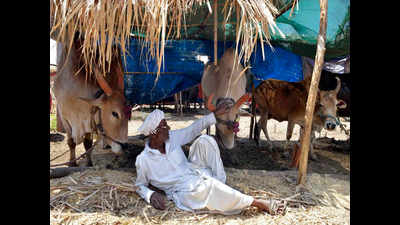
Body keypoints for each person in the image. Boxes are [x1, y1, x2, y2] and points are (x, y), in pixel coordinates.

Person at [134, 105, 287, 215]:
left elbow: (192, 129)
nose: (168, 128)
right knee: (207, 187)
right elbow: (140, 185)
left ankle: (221, 186)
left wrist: (214, 115)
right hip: (182, 190)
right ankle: (257, 203)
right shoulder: (144, 160)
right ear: (154, 134)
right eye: (164, 127)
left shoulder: (171, 138)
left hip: (194, 172)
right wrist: (150, 195)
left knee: (205, 140)